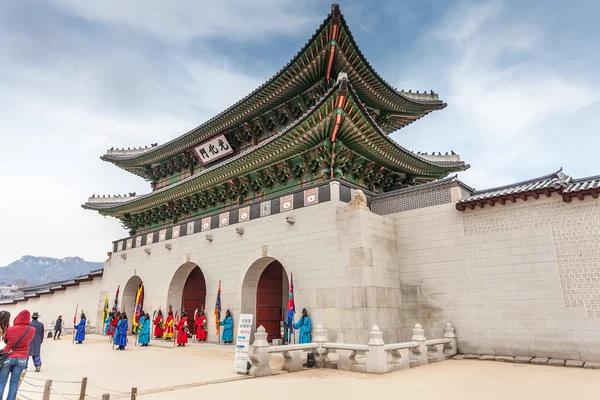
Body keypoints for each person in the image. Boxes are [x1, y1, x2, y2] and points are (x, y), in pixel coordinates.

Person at [0, 310, 35, 400]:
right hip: (22, 358)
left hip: (8, 357)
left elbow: (6, 340)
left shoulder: (10, 329)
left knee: (2, 382)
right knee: (14, 383)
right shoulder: (32, 330)